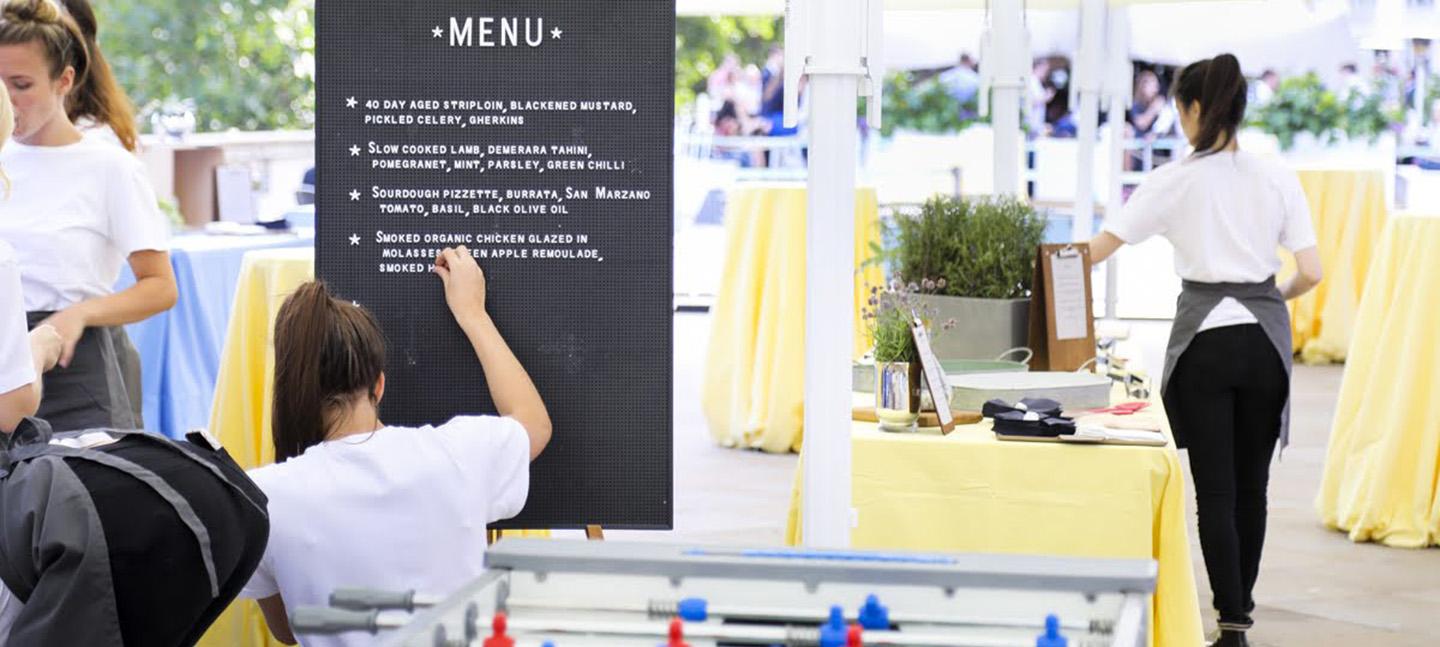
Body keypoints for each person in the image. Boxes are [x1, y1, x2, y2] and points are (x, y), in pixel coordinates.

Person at [1084, 53, 1323, 647]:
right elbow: (1312, 272)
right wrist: (1271, 297)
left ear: (1193, 109)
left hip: (1205, 343)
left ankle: (1229, 631)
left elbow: (1095, 251)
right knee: (1252, 489)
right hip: (1265, 341)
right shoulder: (1277, 176)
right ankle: (1241, 615)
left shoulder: (1173, 180)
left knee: (1214, 492)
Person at [241, 247, 552, 647]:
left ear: (288, 392)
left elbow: (288, 631)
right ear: (379, 385)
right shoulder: (457, 454)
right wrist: (472, 313)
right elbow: (533, 422)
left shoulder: (263, 497)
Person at [0, 0, 176, 432]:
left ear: (65, 80)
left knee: (84, 494)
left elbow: (160, 287)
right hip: (6, 365)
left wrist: (80, 313)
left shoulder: (109, 168)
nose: (8, 99)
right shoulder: (2, 157)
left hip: (76, 365)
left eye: (21, 84)